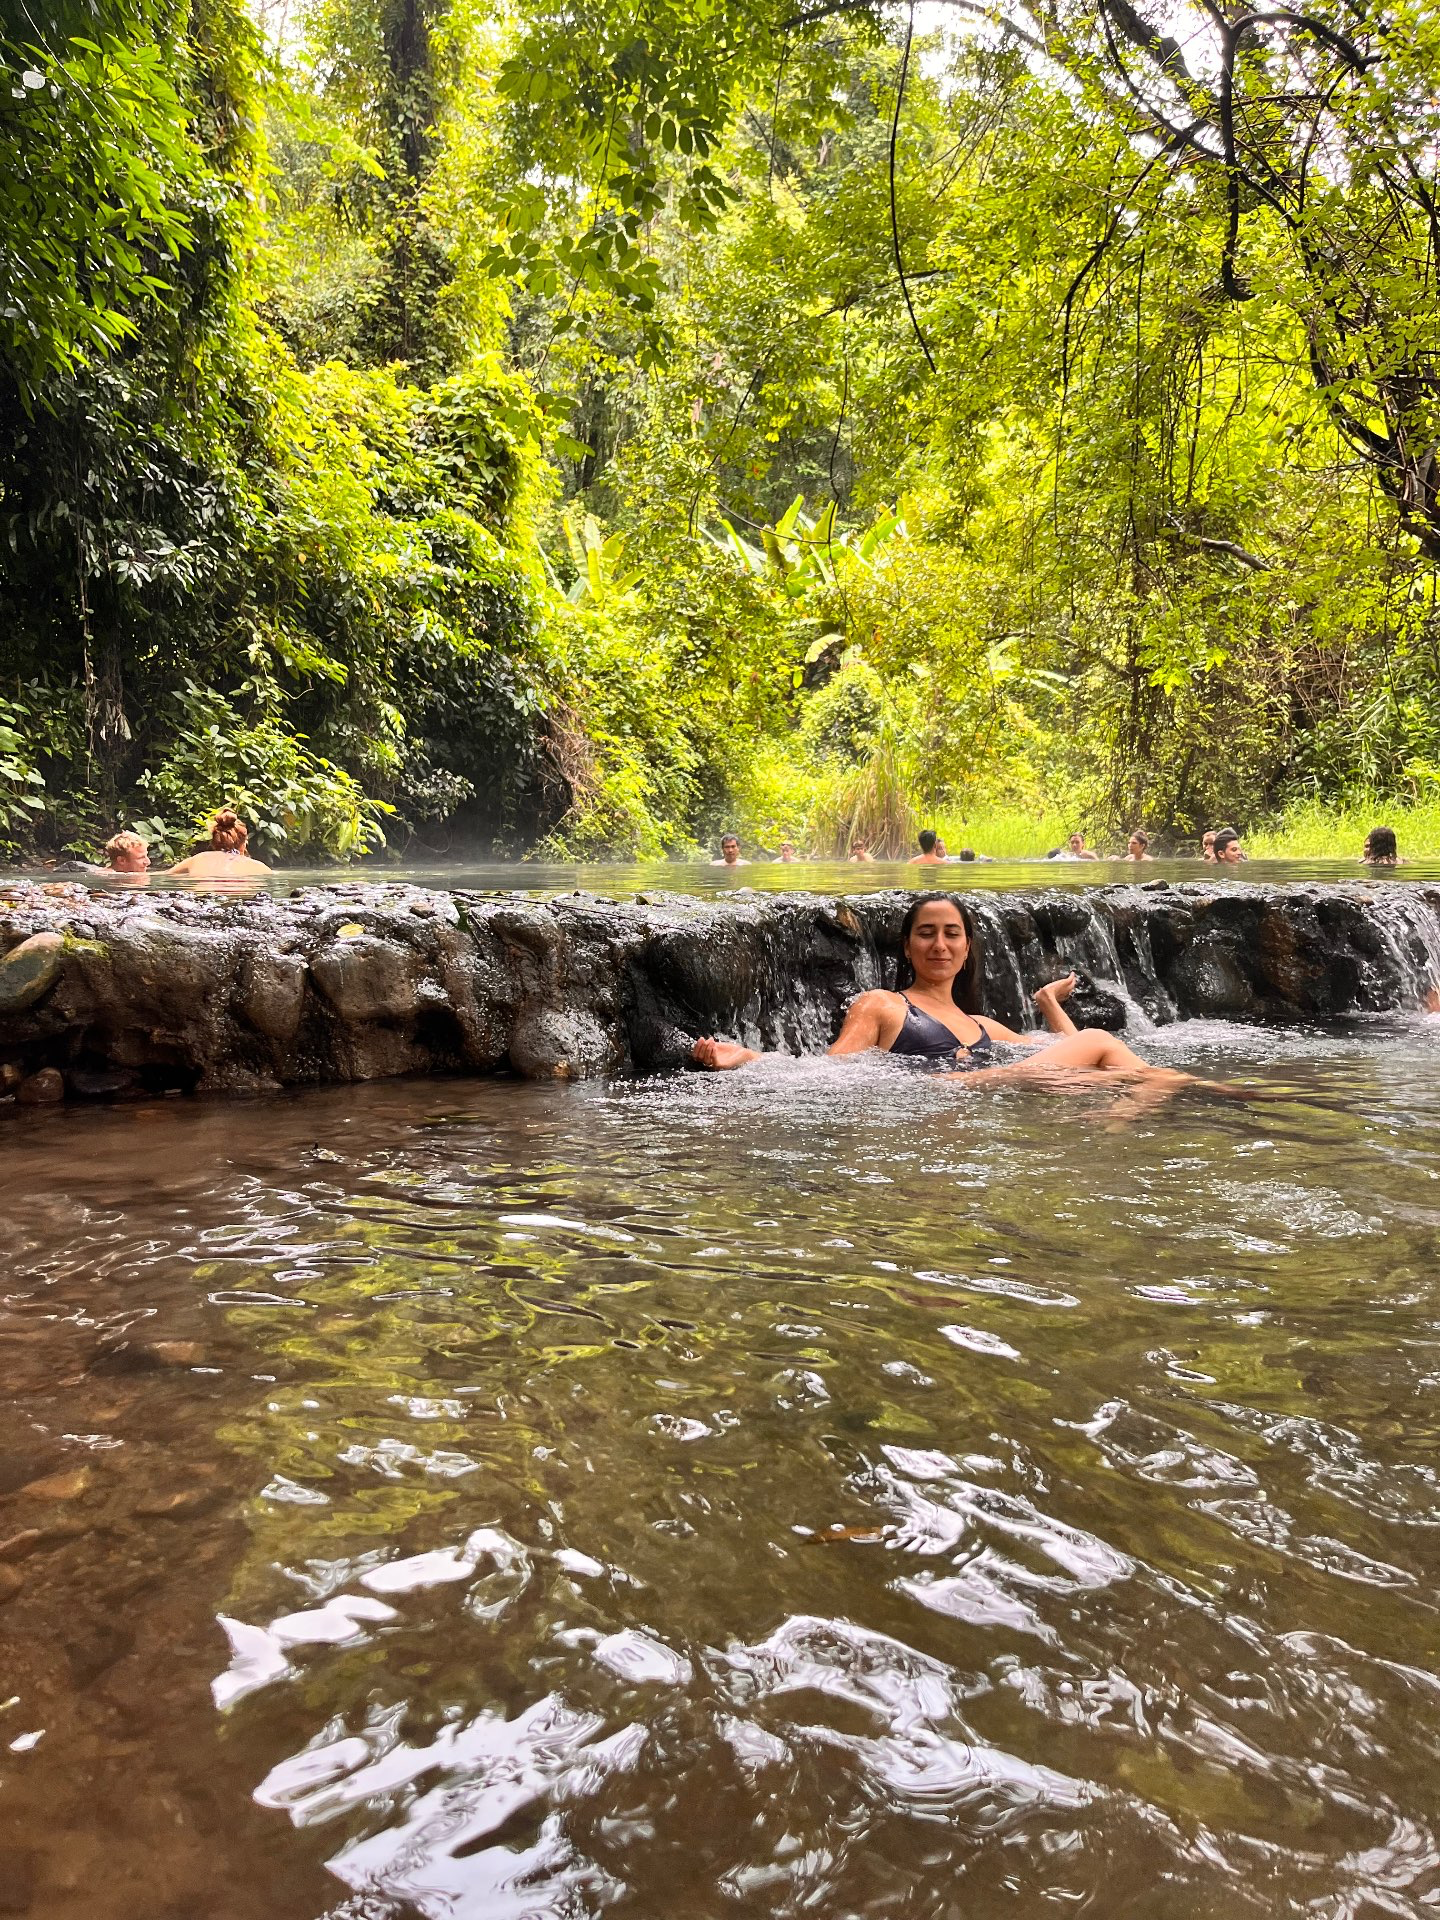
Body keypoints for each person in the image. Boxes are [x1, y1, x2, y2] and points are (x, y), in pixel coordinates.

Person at [691, 892, 1194, 1090]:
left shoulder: (984, 1027)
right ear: (907, 948)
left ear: (966, 947)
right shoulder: (883, 1005)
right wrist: (750, 1059)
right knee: (1106, 1044)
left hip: (984, 1095)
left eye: (951, 933)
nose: (939, 944)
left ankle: (1175, 1098)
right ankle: (1186, 1103)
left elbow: (1060, 1050)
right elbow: (829, 1069)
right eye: (925, 933)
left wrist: (1046, 1004)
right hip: (948, 1093)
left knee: (1137, 1076)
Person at [167, 810, 271, 879]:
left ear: (215, 841)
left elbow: (164, 874)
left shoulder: (198, 859)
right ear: (244, 842)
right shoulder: (257, 866)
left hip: (203, 901)